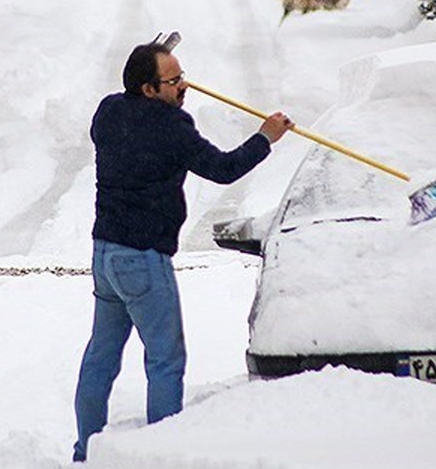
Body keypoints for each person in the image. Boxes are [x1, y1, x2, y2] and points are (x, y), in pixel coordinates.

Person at [72, 41, 293, 462]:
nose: (184, 86)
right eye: (173, 81)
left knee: (101, 357)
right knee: (165, 360)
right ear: (149, 88)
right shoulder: (171, 127)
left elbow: (125, 113)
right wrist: (266, 136)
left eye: (182, 76)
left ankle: (86, 451)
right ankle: (163, 454)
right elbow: (223, 169)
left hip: (106, 256)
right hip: (144, 260)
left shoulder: (108, 111)